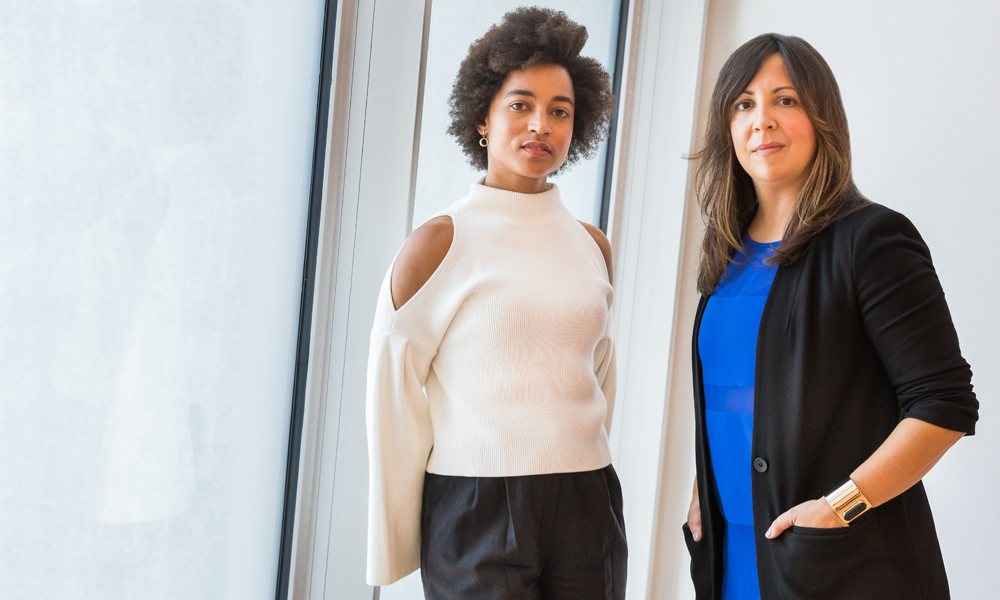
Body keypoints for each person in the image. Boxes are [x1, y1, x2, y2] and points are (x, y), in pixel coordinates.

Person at [683, 33, 978, 599]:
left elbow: (944, 405)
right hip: (733, 555)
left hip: (836, 560)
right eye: (744, 104)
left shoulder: (871, 239)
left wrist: (840, 507)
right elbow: (737, 390)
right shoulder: (726, 254)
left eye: (785, 100)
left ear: (823, 117)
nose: (762, 120)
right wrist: (703, 487)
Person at [365, 8, 626, 599]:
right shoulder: (439, 242)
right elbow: (394, 398)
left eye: (560, 111)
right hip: (476, 503)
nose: (541, 124)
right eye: (520, 104)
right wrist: (398, 540)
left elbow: (599, 376)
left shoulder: (592, 246)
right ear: (483, 116)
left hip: (588, 499)